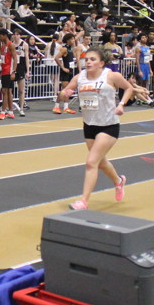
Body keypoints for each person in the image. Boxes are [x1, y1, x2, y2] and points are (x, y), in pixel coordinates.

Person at [59, 48, 133, 210]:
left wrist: (121, 104)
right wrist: (65, 93)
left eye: (93, 59)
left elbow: (129, 88)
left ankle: (83, 201)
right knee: (100, 161)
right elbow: (63, 94)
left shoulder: (111, 76)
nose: (88, 62)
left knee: (91, 162)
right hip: (89, 125)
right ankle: (119, 181)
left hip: (109, 125)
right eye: (86, 59)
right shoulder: (79, 78)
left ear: (101, 63)